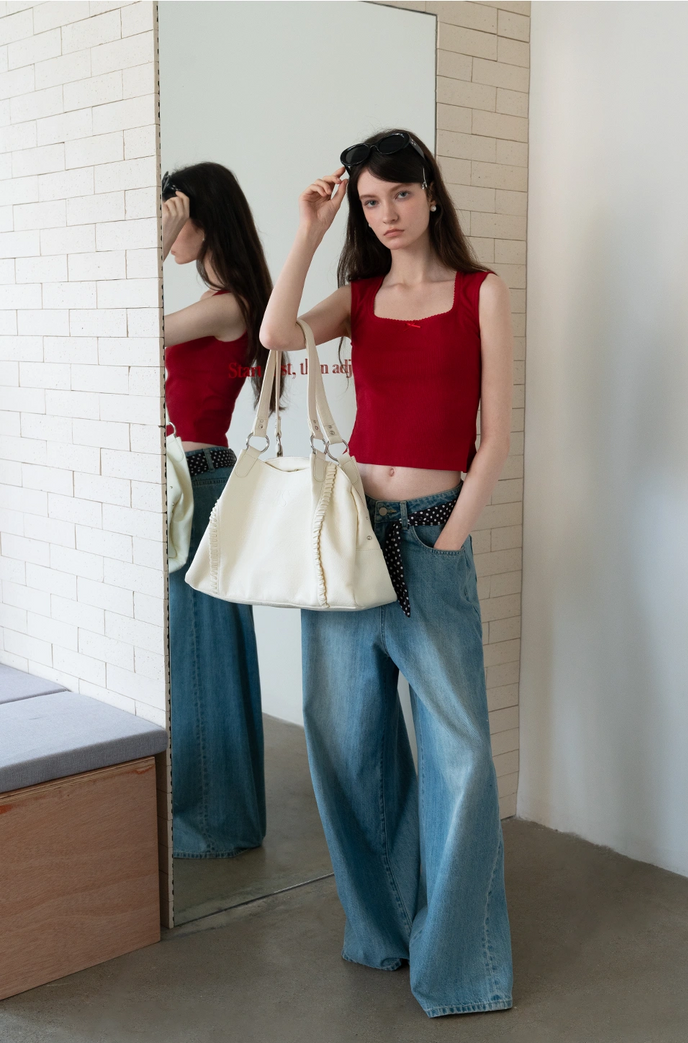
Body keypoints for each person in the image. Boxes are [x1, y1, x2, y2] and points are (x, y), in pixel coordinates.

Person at [259, 130, 515, 1018]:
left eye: (399, 194)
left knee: (463, 756)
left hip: (433, 534)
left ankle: (457, 964)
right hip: (349, 534)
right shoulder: (358, 295)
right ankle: (382, 930)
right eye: (371, 201)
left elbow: (495, 437)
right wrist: (309, 229)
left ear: (430, 193)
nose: (388, 213)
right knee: (346, 743)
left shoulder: (480, 293)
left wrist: (453, 538)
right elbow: (275, 333)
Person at [163, 162, 281, 858]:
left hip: (202, 479)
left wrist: (153, 238)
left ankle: (213, 820)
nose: (170, 229)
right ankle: (218, 811)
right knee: (201, 644)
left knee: (202, 648)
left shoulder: (229, 301)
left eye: (176, 214)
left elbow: (133, 326)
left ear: (204, 217)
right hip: (199, 480)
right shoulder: (221, 296)